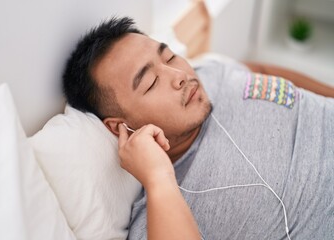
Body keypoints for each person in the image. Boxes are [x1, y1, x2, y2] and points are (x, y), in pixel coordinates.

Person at [63, 17, 334, 240]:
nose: (181, 76)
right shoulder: (162, 215)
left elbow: (259, 68)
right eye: (151, 82)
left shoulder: (210, 70)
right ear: (121, 127)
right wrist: (158, 178)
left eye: (169, 58)